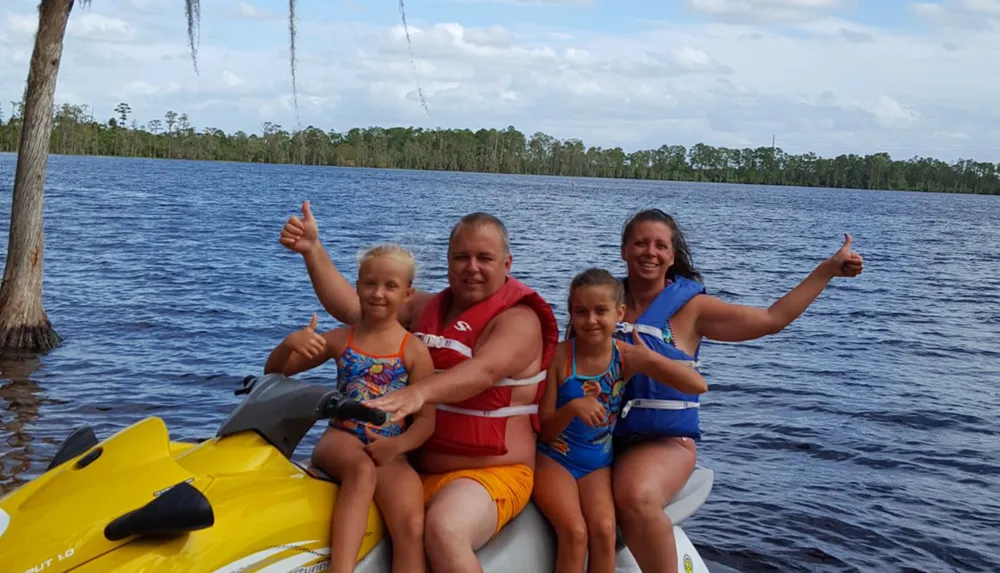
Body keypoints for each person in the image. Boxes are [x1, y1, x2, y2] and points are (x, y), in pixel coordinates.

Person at [278, 202, 561, 572]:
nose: (471, 267)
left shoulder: (519, 321)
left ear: (506, 265)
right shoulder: (427, 307)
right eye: (461, 257)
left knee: (444, 529)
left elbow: (484, 371)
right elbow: (355, 308)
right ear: (448, 261)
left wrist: (418, 393)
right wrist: (313, 251)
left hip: (490, 474)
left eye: (484, 258)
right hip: (409, 459)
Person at [609, 208, 865, 573]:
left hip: (662, 442)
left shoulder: (692, 308)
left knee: (636, 498)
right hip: (601, 434)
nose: (650, 252)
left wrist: (826, 270)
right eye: (640, 243)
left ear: (672, 256)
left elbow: (771, 319)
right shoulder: (602, 303)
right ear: (624, 250)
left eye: (660, 245)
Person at [263, 244, 436, 573]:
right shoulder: (342, 338)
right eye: (369, 283)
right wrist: (290, 344)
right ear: (356, 286)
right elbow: (276, 371)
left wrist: (397, 446)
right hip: (342, 439)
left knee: (411, 524)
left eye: (390, 286)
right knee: (360, 471)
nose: (378, 293)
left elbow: (426, 422)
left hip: (390, 448)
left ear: (407, 294)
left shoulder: (414, 351)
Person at [533, 268, 708, 573]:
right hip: (555, 460)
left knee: (604, 531)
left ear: (620, 313)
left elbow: (696, 385)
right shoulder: (561, 357)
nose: (591, 321)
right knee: (575, 533)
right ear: (571, 314)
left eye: (601, 311)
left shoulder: (625, 356)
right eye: (581, 312)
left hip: (597, 464)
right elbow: (546, 432)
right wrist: (573, 407)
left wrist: (651, 358)